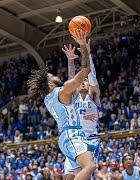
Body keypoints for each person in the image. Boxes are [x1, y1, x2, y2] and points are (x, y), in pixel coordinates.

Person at [28, 29, 96, 180]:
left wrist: (71, 60)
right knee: (90, 166)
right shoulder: (61, 92)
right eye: (51, 75)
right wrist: (83, 46)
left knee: (74, 176)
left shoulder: (50, 97)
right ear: (49, 83)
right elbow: (85, 71)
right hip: (72, 135)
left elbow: (71, 84)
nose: (54, 74)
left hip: (68, 135)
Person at [62, 39, 101, 180]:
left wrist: (87, 54)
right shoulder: (73, 98)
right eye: (81, 82)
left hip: (90, 140)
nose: (84, 83)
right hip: (74, 140)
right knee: (68, 177)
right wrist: (71, 60)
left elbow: (93, 78)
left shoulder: (94, 95)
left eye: (86, 82)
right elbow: (71, 79)